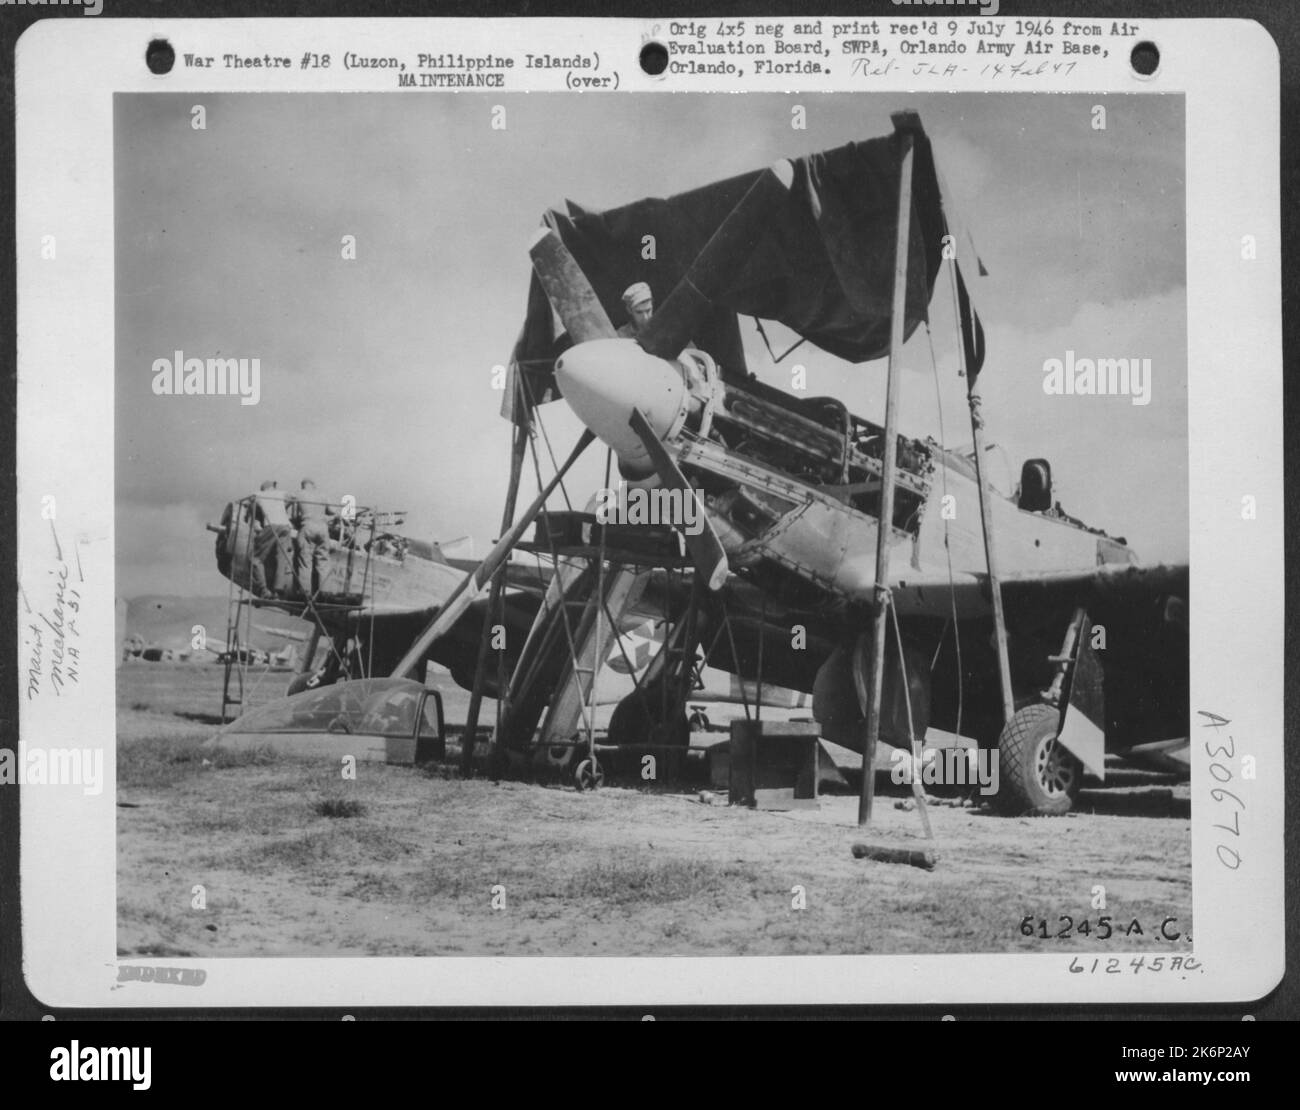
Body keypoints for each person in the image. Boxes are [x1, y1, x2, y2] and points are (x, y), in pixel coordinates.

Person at [291, 479, 333, 600]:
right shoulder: (323, 495)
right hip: (323, 529)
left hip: (307, 527)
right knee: (323, 561)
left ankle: (305, 594)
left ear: (302, 486)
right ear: (313, 486)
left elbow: (294, 515)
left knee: (305, 562)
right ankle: (325, 593)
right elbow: (333, 511)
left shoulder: (299, 493)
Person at [252, 480, 294, 598]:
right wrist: (284, 506)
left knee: (255, 559)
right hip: (286, 527)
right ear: (272, 487)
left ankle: (264, 590)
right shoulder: (281, 493)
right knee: (281, 559)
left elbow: (249, 503)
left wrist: (255, 518)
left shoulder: (259, 494)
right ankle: (278, 590)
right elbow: (293, 497)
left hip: (271, 526)